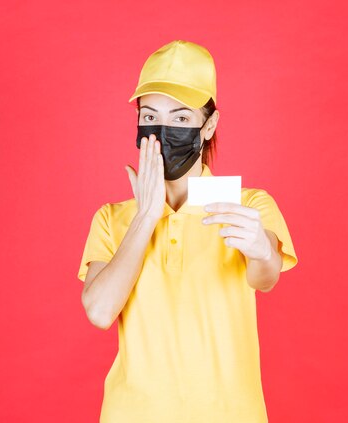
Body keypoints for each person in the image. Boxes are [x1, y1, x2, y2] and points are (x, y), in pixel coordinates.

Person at [77, 39, 298, 423]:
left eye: (181, 118)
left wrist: (261, 250)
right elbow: (99, 311)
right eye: (150, 116)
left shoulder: (247, 203)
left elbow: (266, 278)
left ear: (209, 125)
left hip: (230, 414)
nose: (162, 130)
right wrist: (146, 215)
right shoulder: (113, 218)